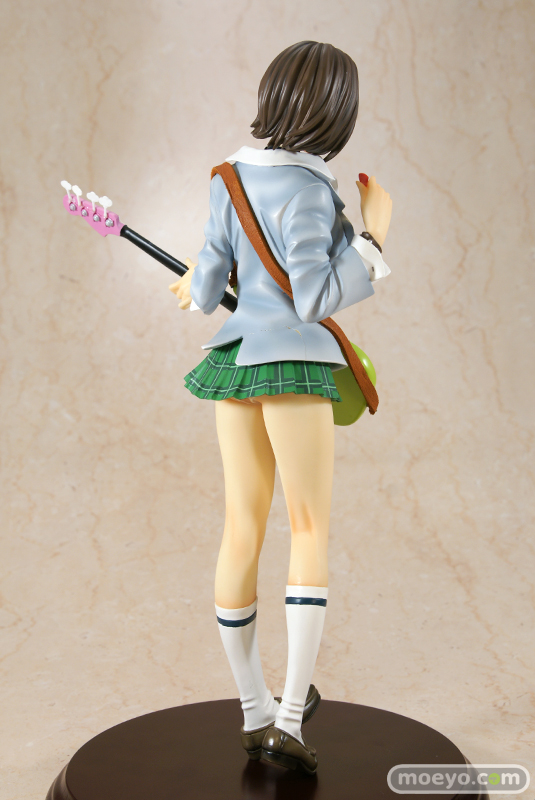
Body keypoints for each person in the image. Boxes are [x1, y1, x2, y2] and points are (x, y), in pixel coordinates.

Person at [170, 40, 392, 774]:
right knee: (307, 526)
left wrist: (193, 282)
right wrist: (372, 237)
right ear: (335, 112)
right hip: (293, 367)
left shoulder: (226, 179)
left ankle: (254, 709)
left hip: (234, 363)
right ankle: (289, 718)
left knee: (240, 527)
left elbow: (207, 290)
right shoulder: (309, 190)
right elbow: (312, 298)